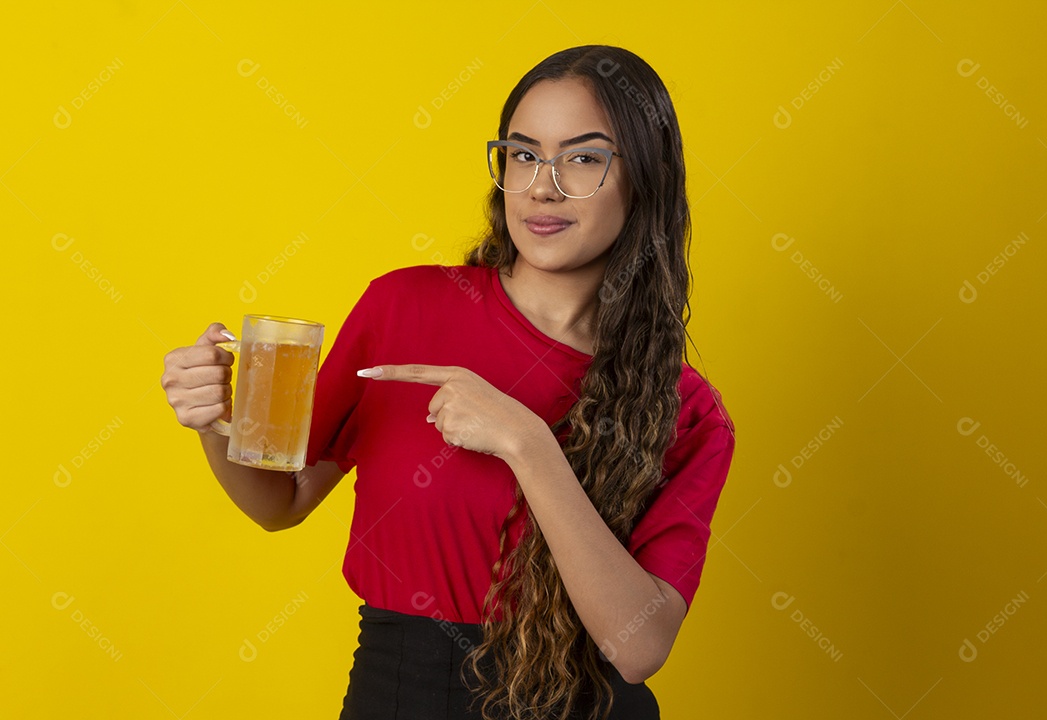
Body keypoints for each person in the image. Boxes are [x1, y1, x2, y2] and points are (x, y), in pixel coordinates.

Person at [161, 45, 736, 720]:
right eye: (523, 155)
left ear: (643, 177)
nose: (542, 187)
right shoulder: (404, 308)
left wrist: (526, 442)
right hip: (398, 692)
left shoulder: (689, 411)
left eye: (583, 158)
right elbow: (281, 499)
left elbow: (638, 649)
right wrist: (214, 424)